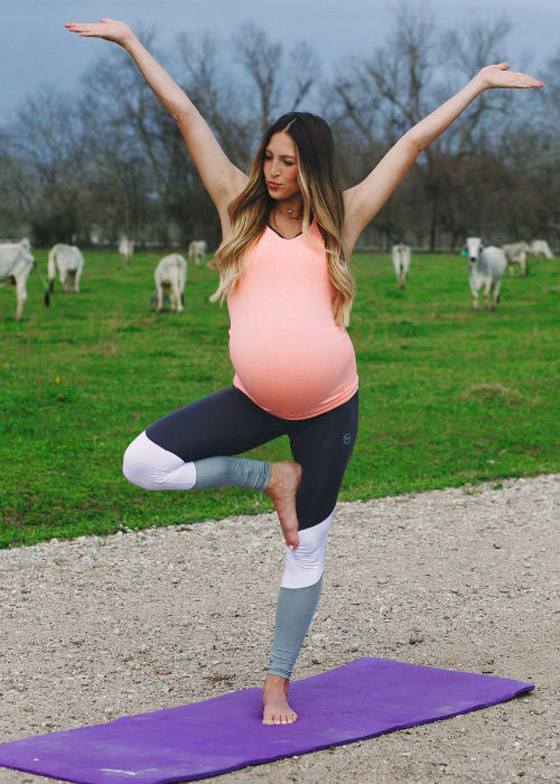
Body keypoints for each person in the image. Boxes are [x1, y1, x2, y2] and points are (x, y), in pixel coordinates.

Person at [65, 17, 542, 725]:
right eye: (268, 157)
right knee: (143, 463)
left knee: (307, 549)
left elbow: (411, 143)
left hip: (329, 408)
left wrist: (476, 84)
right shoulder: (236, 207)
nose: (273, 171)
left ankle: (277, 681)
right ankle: (270, 477)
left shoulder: (341, 219)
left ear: (310, 166)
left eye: (287, 161)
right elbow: (186, 114)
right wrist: (132, 42)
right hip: (253, 401)